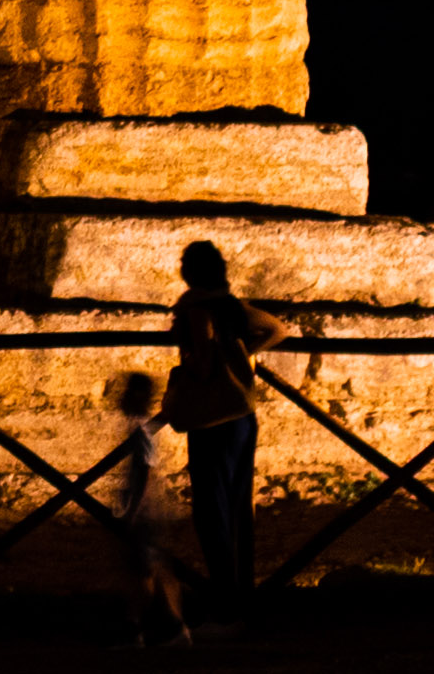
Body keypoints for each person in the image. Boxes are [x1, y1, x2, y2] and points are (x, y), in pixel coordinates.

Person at [167, 238, 276, 618]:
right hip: (242, 415)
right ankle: (241, 592)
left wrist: (186, 369)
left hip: (211, 419)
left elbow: (201, 363)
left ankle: (225, 600)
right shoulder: (233, 307)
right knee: (237, 505)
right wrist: (243, 355)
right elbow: (277, 330)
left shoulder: (197, 310)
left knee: (211, 510)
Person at [101, 367, 192, 644]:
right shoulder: (143, 428)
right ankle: (165, 627)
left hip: (144, 513)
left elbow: (144, 472)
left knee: (143, 569)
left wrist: (131, 511)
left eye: (127, 392)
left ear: (137, 396)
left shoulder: (140, 430)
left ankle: (144, 627)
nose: (121, 398)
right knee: (152, 567)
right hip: (148, 511)